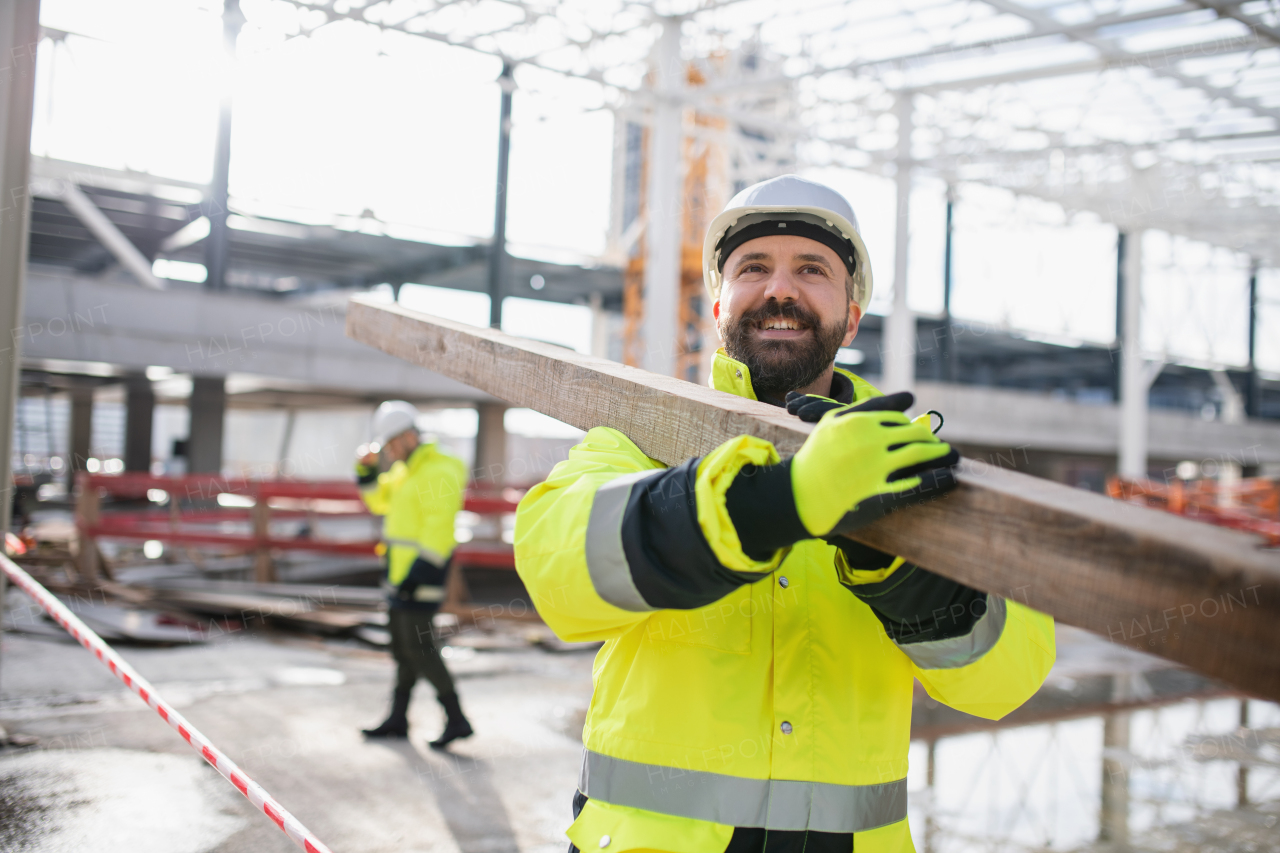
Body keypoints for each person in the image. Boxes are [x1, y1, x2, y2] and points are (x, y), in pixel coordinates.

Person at [515, 176, 1055, 852]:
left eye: (811, 269)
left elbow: (1005, 680)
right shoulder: (636, 443)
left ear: (851, 317)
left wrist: (894, 561)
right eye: (753, 268)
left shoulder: (912, 472)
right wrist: (773, 504)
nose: (779, 290)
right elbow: (556, 572)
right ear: (718, 306)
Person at [357, 400, 474, 749]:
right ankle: (397, 718)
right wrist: (366, 472)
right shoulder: (404, 471)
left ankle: (456, 719)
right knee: (402, 647)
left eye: (392, 444)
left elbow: (440, 527)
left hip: (422, 575)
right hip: (399, 576)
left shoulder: (439, 469)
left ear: (409, 437)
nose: (389, 452)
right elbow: (378, 502)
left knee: (420, 647)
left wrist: (419, 573)